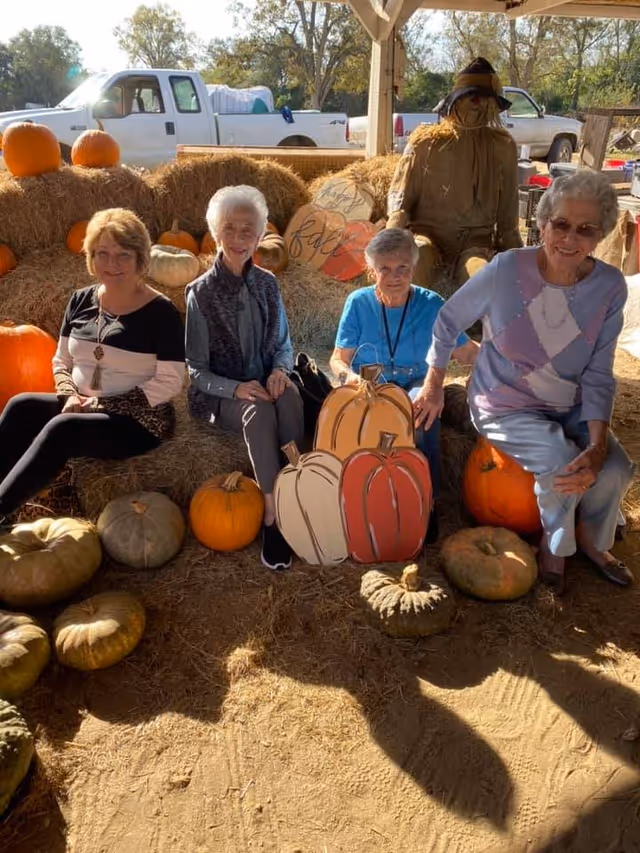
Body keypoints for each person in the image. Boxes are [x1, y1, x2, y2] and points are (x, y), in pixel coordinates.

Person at [414, 170, 636, 594]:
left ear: (601, 234)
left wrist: (597, 443)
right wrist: (434, 382)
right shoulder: (506, 270)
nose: (571, 239)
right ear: (543, 222)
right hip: (503, 403)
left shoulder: (609, 287)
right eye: (562, 224)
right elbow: (447, 320)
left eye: (586, 229)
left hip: (569, 401)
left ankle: (593, 540)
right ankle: (556, 553)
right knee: (558, 459)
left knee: (614, 469)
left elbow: (598, 373)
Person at [0, 208, 185, 523]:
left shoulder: (161, 313)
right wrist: (70, 394)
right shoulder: (80, 300)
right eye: (103, 253)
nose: (112, 264)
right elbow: (61, 359)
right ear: (90, 257)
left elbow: (170, 382)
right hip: (82, 404)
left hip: (136, 419)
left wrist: (100, 402)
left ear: (141, 259)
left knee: (64, 429)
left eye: (123, 254)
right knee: (22, 406)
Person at [185, 185, 304, 572]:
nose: (239, 239)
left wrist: (279, 373)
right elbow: (197, 370)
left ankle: (300, 490)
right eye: (230, 229)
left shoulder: (268, 284)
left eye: (247, 230)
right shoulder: (199, 294)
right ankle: (274, 518)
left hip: (264, 383)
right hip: (224, 395)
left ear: (259, 235)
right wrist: (235, 388)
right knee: (259, 413)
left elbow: (284, 344)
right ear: (216, 233)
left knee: (288, 398)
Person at [329, 227, 478, 503]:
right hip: (370, 387)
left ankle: (425, 501)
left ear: (414, 267)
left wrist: (504, 361)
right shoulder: (358, 303)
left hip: (415, 386)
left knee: (422, 419)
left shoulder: (432, 305)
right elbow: (338, 359)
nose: (395, 276)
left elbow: (468, 352)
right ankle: (356, 501)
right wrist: (348, 378)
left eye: (403, 267)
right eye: (385, 268)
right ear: (371, 271)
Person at [387, 57, 522, 291]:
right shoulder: (425, 141)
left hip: (475, 245)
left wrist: (519, 262)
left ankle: (475, 325)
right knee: (411, 272)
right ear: (454, 102)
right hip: (426, 237)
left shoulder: (502, 147)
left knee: (481, 282)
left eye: (482, 99)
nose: (476, 105)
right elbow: (401, 199)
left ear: (493, 105)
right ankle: (404, 323)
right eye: (470, 97)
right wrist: (389, 239)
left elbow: (508, 216)